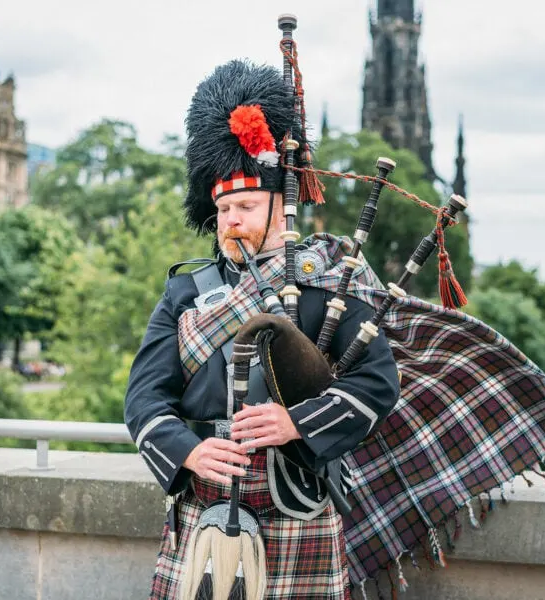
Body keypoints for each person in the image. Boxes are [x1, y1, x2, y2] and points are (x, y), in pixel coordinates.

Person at [124, 59, 400, 599]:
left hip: (295, 500)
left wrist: (294, 421)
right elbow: (143, 399)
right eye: (223, 208)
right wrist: (188, 450)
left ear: (282, 204)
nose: (230, 221)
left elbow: (376, 384)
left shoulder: (328, 283)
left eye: (246, 205)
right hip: (205, 505)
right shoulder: (186, 292)